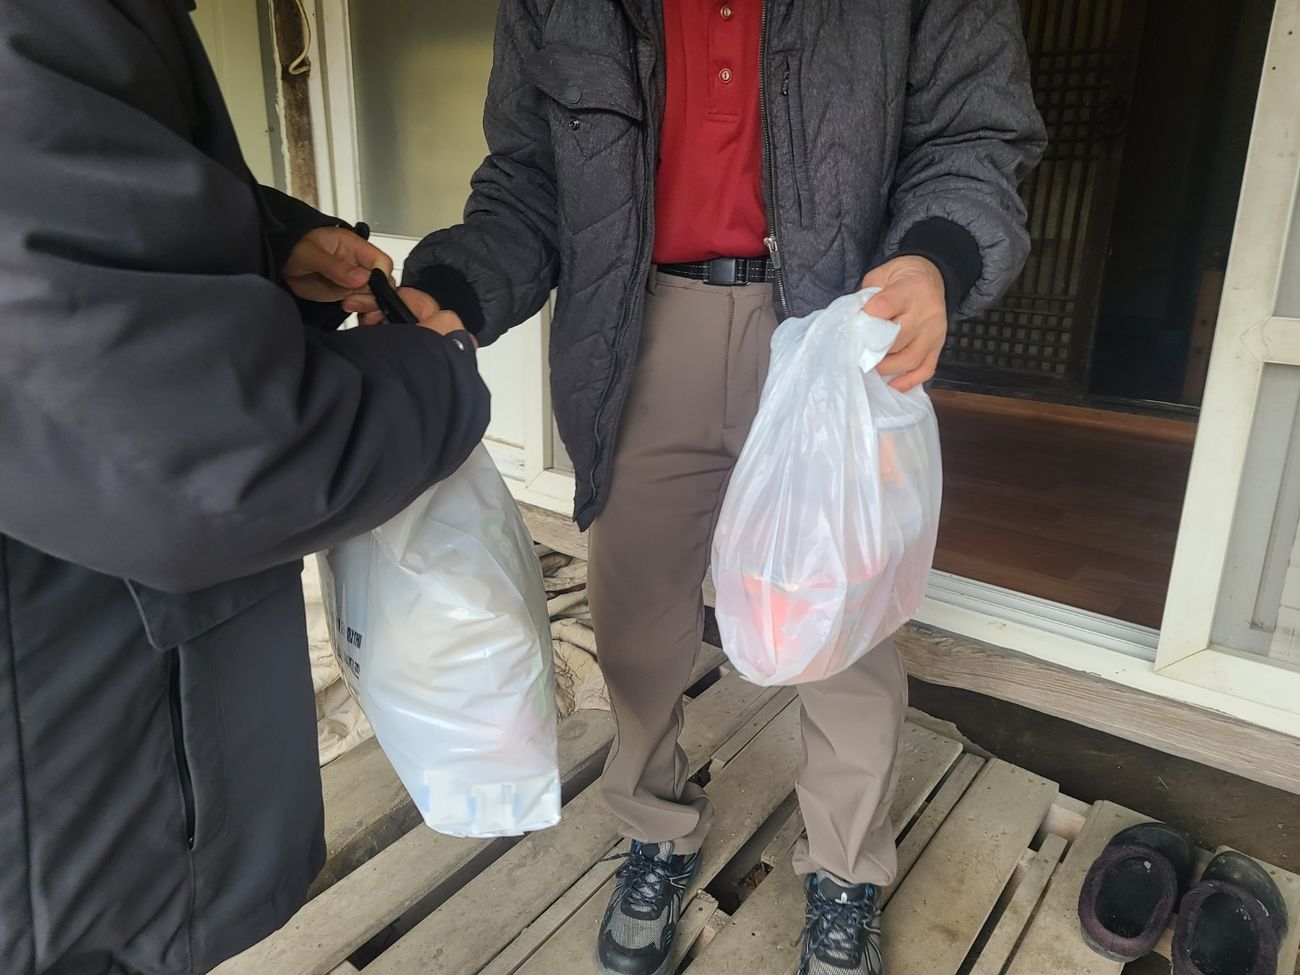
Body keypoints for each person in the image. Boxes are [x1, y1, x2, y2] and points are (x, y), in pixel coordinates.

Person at [390, 2, 1044, 973]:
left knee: (841, 627)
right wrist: (454, 287)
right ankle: (655, 827)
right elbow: (528, 178)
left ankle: (846, 868)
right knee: (635, 614)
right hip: (640, 327)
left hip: (835, 327)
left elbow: (972, 130)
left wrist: (936, 253)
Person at [0, 2, 487, 973]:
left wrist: (269, 239)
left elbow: (75, 221)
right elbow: (220, 463)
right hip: (76, 793)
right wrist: (442, 374)